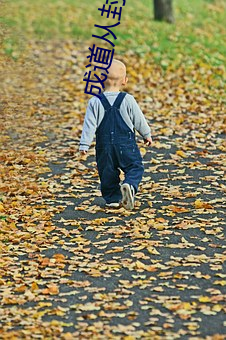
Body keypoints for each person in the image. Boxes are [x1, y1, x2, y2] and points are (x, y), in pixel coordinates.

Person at [79, 59, 152, 210]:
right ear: (124, 81)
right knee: (135, 167)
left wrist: (84, 144)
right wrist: (146, 134)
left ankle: (112, 199)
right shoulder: (128, 99)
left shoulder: (95, 101)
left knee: (107, 172)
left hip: (104, 146)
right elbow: (138, 119)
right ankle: (130, 185)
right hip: (126, 144)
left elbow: (89, 125)